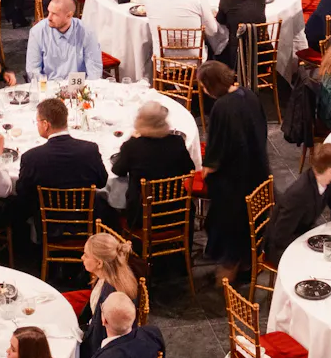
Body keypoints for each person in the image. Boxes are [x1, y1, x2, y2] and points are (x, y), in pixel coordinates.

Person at [198, 60, 269, 275]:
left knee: (227, 221)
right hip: (258, 169)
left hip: (234, 179)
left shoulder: (222, 107)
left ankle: (229, 264)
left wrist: (208, 168)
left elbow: (217, 145)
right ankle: (248, 261)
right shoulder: (249, 94)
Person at [15, 97, 110, 218]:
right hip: (84, 218)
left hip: (47, 221)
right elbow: (102, 182)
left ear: (45, 124)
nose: (37, 125)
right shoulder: (90, 150)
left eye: (37, 121)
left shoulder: (31, 158)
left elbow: (22, 192)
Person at [111, 101, 197, 206]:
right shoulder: (177, 141)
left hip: (142, 209)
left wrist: (132, 139)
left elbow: (118, 170)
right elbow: (189, 169)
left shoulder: (132, 146)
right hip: (177, 204)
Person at [27, 0, 104, 82]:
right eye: (49, 12)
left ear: (69, 15)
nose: (49, 18)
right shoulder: (37, 32)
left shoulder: (87, 32)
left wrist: (86, 89)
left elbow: (94, 70)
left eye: (54, 14)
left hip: (79, 87)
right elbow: (33, 70)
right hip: (48, 86)